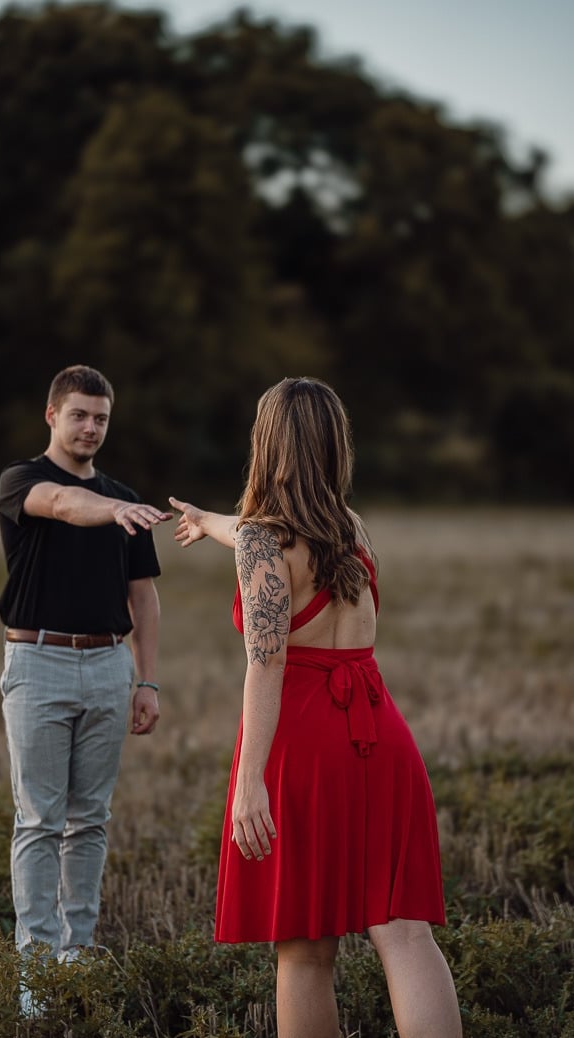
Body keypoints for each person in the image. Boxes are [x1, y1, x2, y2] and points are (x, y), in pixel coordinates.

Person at [170, 377, 462, 1038]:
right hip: (380, 733)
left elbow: (265, 661)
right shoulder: (348, 528)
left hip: (304, 744)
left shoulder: (264, 544)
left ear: (265, 443)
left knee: (303, 947)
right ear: (335, 444)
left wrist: (248, 783)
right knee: (405, 934)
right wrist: (207, 520)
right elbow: (247, 532)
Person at [0, 364, 170, 1011]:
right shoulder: (23, 481)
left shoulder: (123, 499)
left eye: (100, 417)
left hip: (107, 668)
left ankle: (78, 957)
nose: (90, 427)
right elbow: (67, 505)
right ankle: (35, 979)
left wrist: (145, 679)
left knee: (89, 821)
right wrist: (116, 510)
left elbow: (144, 598)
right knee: (40, 820)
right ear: (52, 416)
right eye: (79, 415)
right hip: (37, 662)